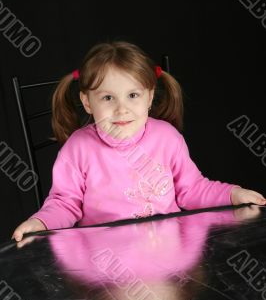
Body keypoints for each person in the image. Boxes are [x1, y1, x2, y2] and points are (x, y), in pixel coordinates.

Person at [12, 40, 266, 243]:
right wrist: (40, 223)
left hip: (165, 248)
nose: (122, 109)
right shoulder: (78, 149)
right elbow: (65, 204)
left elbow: (192, 189)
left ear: (149, 97)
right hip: (107, 255)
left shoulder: (166, 137)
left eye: (133, 95)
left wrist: (233, 194)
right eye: (108, 98)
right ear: (87, 102)